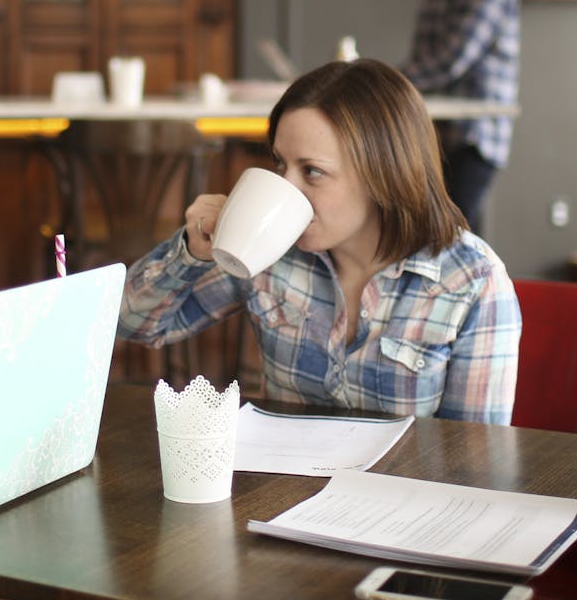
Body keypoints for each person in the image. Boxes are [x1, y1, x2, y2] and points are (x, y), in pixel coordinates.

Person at [119, 58, 520, 422]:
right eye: (280, 163)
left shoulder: (472, 281)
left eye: (312, 171)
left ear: (384, 174)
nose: (286, 187)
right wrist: (191, 253)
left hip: (403, 496)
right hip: (285, 492)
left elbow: (474, 461)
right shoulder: (271, 248)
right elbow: (133, 323)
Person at [400, 0, 520, 235]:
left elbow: (451, 58)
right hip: (441, 134)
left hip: (472, 138)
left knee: (454, 246)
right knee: (436, 242)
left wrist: (385, 82)